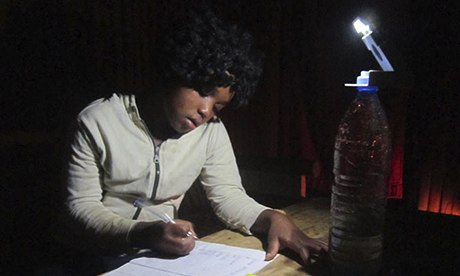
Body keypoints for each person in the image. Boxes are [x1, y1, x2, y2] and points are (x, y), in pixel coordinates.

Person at [56, 7, 327, 271]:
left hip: (159, 258)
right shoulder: (97, 122)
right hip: (95, 256)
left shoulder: (211, 131)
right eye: (203, 90)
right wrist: (143, 233)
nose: (206, 111)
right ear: (176, 71)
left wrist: (272, 218)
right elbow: (80, 208)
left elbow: (228, 196)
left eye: (219, 107)